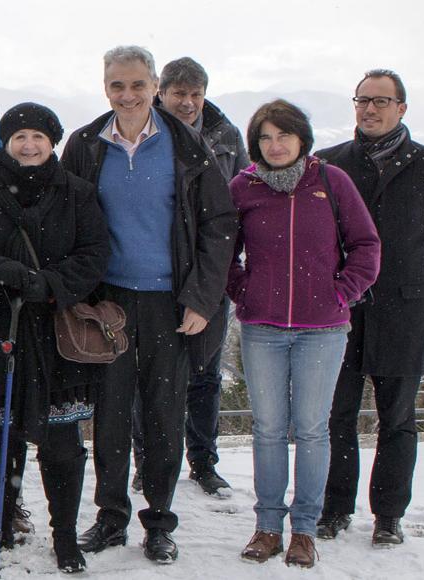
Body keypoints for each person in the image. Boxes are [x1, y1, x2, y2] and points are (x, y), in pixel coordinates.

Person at [63, 46, 236, 565]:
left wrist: (203, 299)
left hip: (171, 302)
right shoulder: (86, 145)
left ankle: (159, 520)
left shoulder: (188, 147)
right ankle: (111, 517)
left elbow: (219, 226)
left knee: (164, 413)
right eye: (117, 85)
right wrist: (79, 295)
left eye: (137, 85)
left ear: (154, 86)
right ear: (105, 87)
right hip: (108, 302)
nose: (128, 95)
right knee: (111, 414)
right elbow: (68, 220)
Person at [0, 102, 109, 574]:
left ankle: (64, 537)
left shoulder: (79, 194)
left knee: (62, 444)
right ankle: (0, 526)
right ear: (5, 142)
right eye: (19, 136)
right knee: (0, 439)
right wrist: (4, 273)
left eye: (38, 136)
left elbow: (95, 253)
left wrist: (51, 285)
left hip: (58, 333)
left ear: (52, 141)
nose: (29, 144)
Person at [228, 99, 382, 569]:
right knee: (269, 430)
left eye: (284, 136)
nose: (275, 145)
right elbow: (222, 253)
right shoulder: (243, 187)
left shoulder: (332, 182)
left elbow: (366, 245)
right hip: (263, 328)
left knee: (313, 431)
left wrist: (342, 293)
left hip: (323, 329)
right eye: (265, 138)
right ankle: (268, 526)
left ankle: (305, 531)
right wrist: (244, 292)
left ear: (301, 139)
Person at [317, 69, 424, 547]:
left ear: (402, 108)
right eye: (363, 100)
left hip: (403, 313)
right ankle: (335, 509)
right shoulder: (329, 164)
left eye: (381, 101)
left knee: (397, 418)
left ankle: (388, 516)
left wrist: (409, 287)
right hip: (341, 311)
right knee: (335, 415)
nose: (370, 109)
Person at [139, 56, 249, 498]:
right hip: (153, 270)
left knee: (204, 372)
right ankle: (145, 459)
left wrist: (224, 267)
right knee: (145, 375)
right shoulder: (145, 130)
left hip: (209, 271)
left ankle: (203, 462)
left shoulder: (224, 135)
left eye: (195, 94)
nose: (186, 103)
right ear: (161, 92)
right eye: (178, 93)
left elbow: (239, 202)